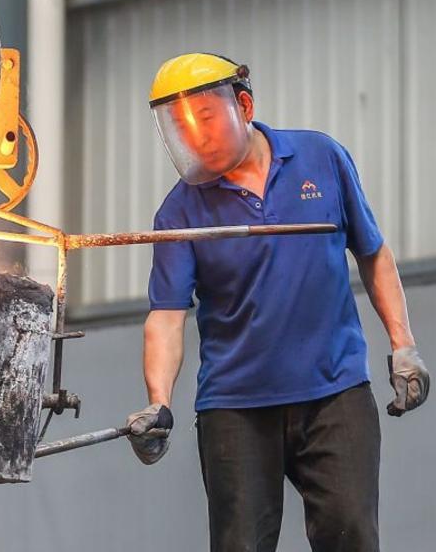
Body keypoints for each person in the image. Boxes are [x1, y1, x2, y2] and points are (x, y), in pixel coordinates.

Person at [125, 53, 429, 552]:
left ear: (243, 105)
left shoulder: (321, 158)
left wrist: (404, 346)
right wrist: (157, 401)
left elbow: (373, 253)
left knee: (349, 534)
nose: (196, 137)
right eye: (182, 126)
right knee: (240, 544)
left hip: (335, 393)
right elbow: (166, 317)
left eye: (205, 119)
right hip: (236, 407)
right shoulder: (180, 210)